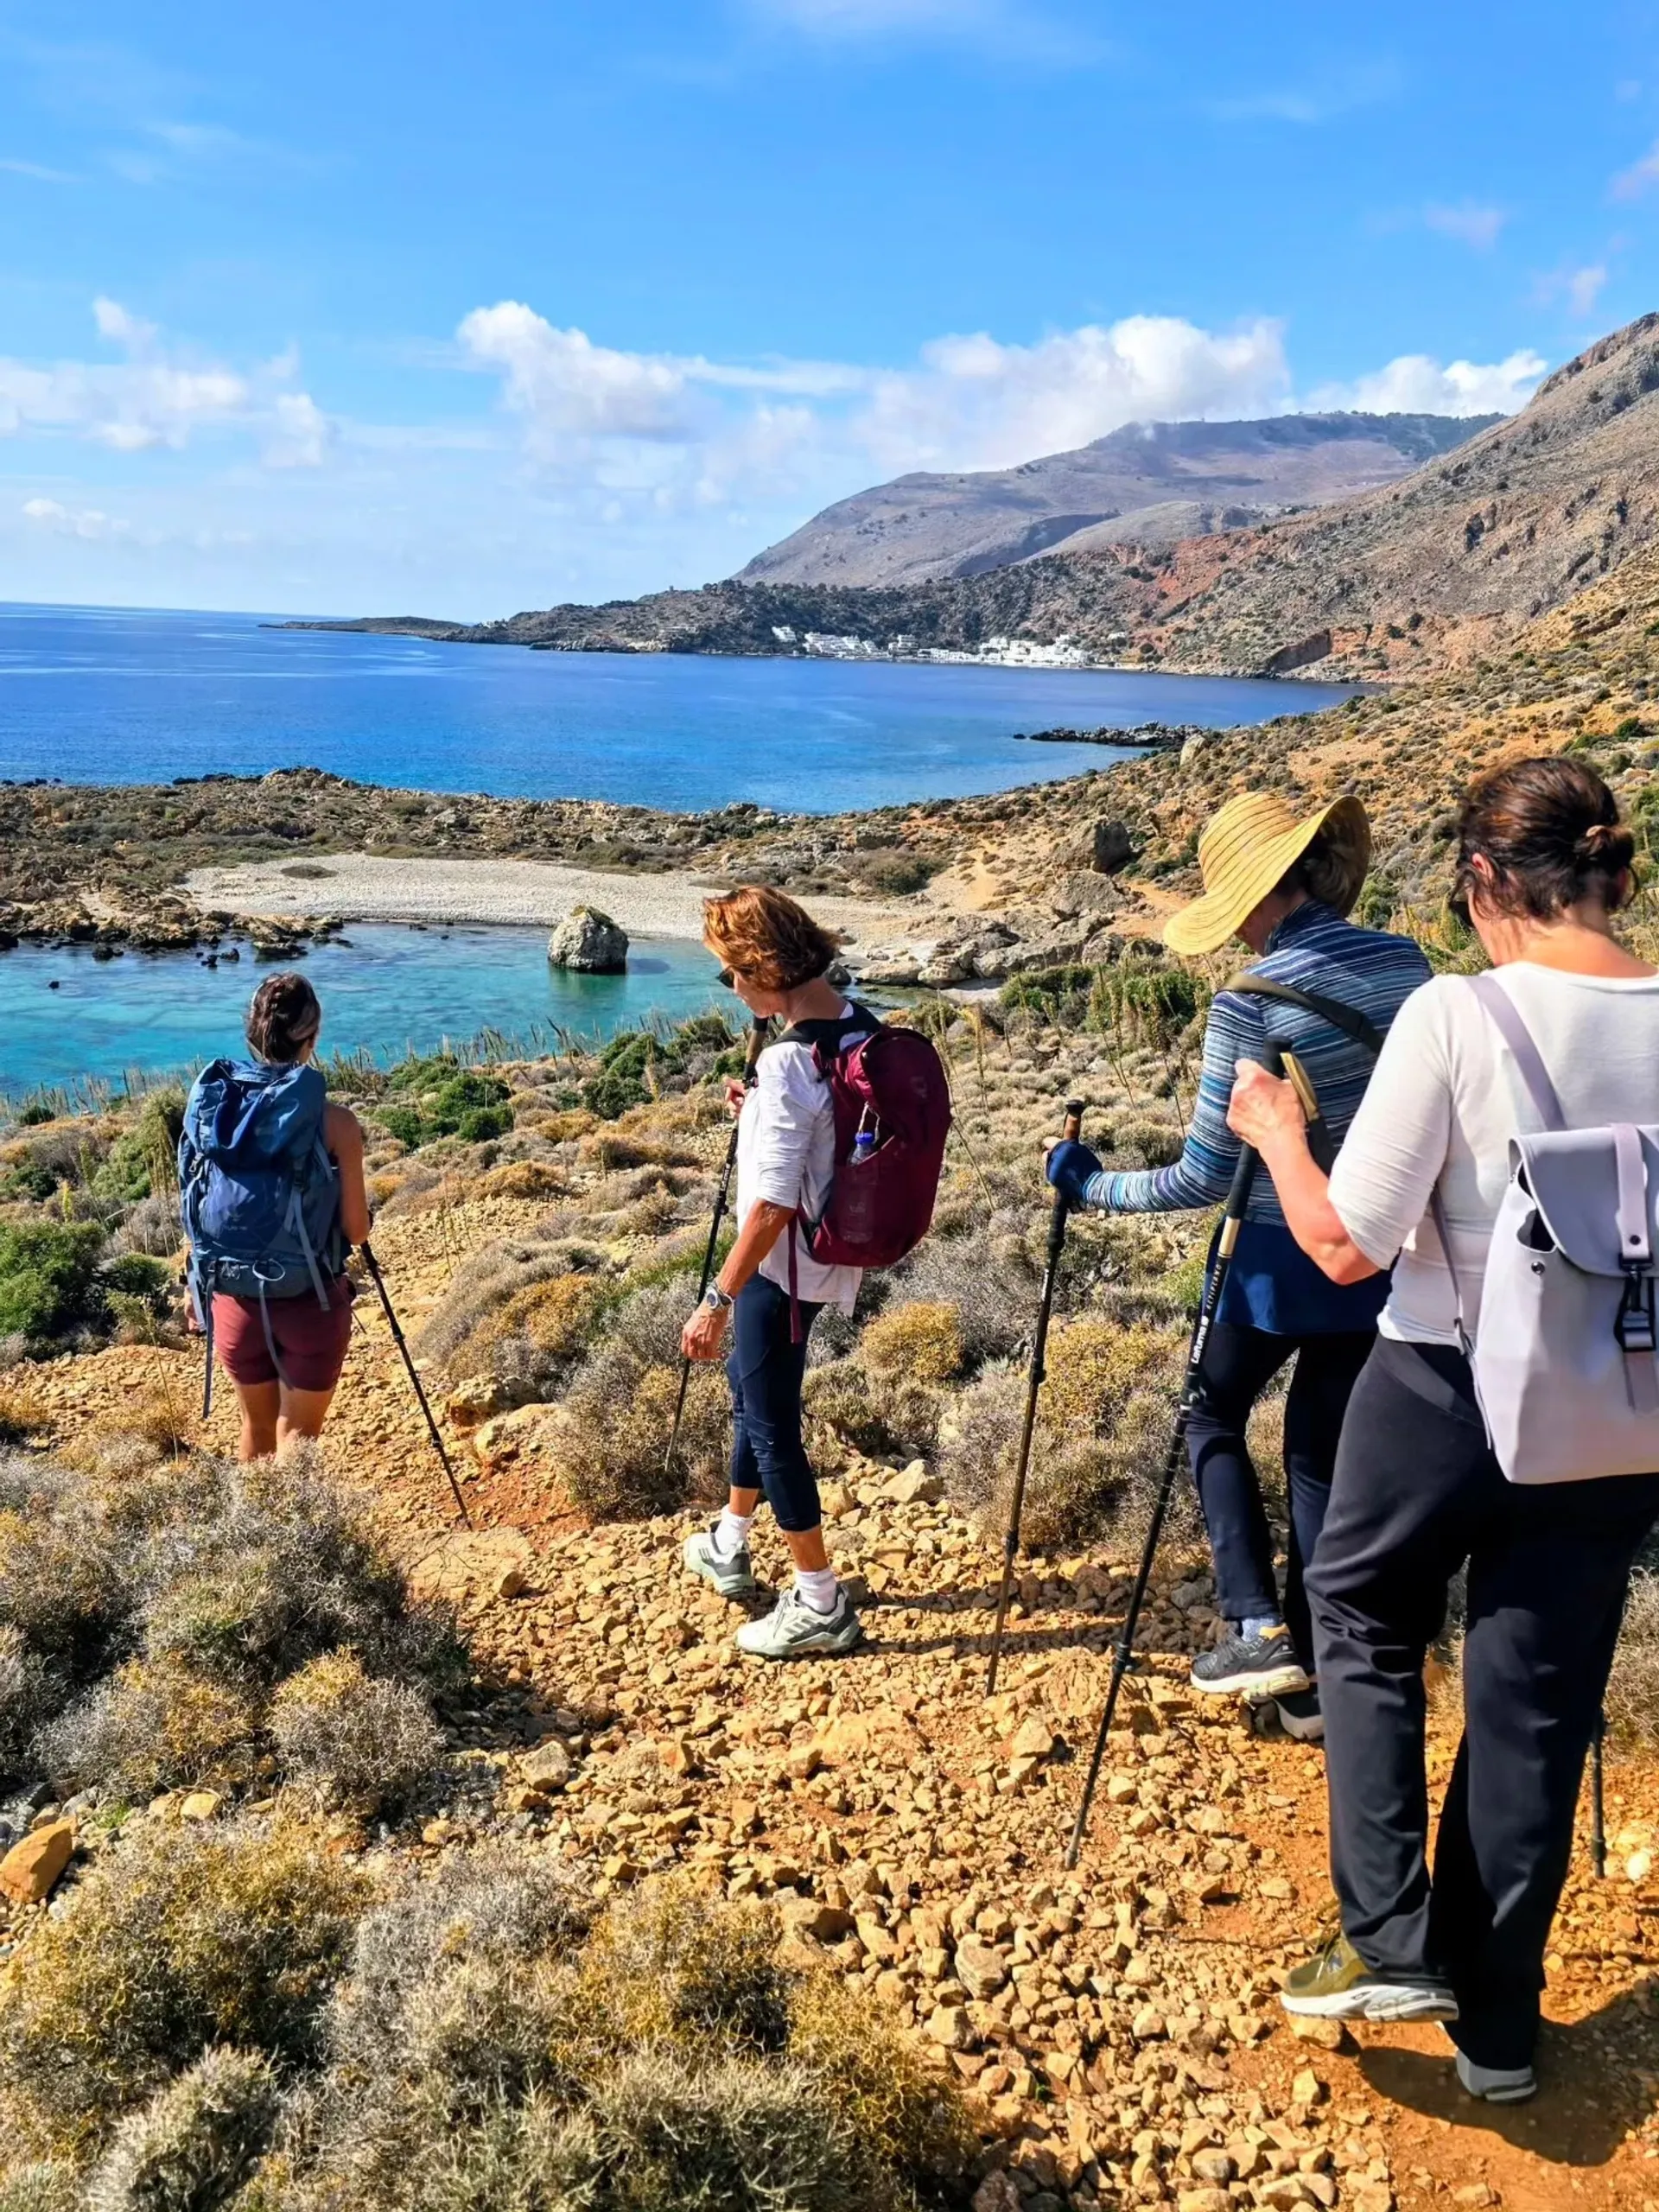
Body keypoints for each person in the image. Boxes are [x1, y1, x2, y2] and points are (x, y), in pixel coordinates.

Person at [1226, 755, 1659, 2101]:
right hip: (1619, 1403)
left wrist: (1278, 1131)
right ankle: (1499, 2032)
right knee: (1535, 1701)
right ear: (1611, 873)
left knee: (1360, 1610)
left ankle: (1389, 1937)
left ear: (1484, 880)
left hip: (1444, 1385)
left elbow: (1344, 1246)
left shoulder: (1457, 1014)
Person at [1045, 791, 1430, 1715]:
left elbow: (1204, 1176)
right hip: (1384, 1250)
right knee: (1319, 1455)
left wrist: (1088, 1183)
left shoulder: (1249, 1002)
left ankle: (1255, 1627)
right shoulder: (1407, 964)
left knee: (1210, 1411)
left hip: (1276, 1258)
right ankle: (1316, 1682)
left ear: (1252, 895)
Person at [680, 886, 868, 1660]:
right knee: (753, 1391)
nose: (731, 987)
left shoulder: (791, 1060)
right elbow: (829, 1131)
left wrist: (715, 1298)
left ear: (763, 967)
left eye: (733, 972)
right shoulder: (856, 1024)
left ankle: (820, 1602)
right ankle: (730, 1540)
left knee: (770, 1422)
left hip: (780, 1270)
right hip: (829, 1256)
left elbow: (771, 1206)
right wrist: (757, 1111)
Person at [193, 974, 371, 1460]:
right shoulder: (336, 1122)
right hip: (309, 1300)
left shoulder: (215, 1114)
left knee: (256, 1426)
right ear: (312, 1038)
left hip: (233, 1299)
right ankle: (295, 1513)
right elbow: (356, 1231)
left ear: (252, 1033)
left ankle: (250, 1512)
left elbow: (196, 1203)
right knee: (299, 1436)